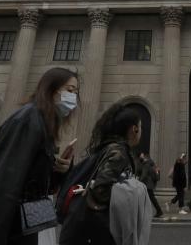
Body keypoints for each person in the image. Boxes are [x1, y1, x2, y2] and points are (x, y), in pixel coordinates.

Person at [0, 67, 79, 245]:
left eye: (75, 93)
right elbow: (4, 184)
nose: (73, 98)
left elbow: (35, 185)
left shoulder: (42, 123)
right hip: (7, 225)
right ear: (50, 89)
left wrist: (59, 171)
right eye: (70, 90)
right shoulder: (29, 118)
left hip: (22, 223)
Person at [59, 102, 149, 245]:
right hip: (98, 234)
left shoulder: (107, 148)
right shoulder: (118, 152)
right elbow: (100, 191)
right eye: (141, 127)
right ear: (134, 129)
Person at [138, 152, 163, 218]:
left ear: (145, 157)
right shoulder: (151, 163)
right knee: (149, 198)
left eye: (142, 156)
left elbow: (144, 175)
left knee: (150, 198)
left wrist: (138, 182)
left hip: (147, 184)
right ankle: (158, 211)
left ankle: (159, 211)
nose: (141, 157)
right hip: (150, 184)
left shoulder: (146, 164)